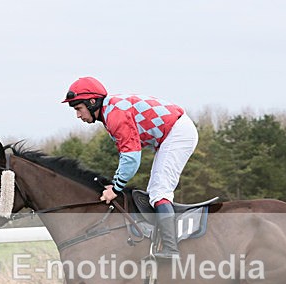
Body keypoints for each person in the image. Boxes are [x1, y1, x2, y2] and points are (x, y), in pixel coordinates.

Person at [62, 76, 199, 260]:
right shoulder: (110, 110)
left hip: (177, 132)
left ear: (92, 102)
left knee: (159, 192)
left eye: (79, 108)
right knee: (154, 191)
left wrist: (116, 188)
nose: (78, 115)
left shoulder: (114, 115)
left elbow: (132, 159)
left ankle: (171, 249)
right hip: (172, 132)